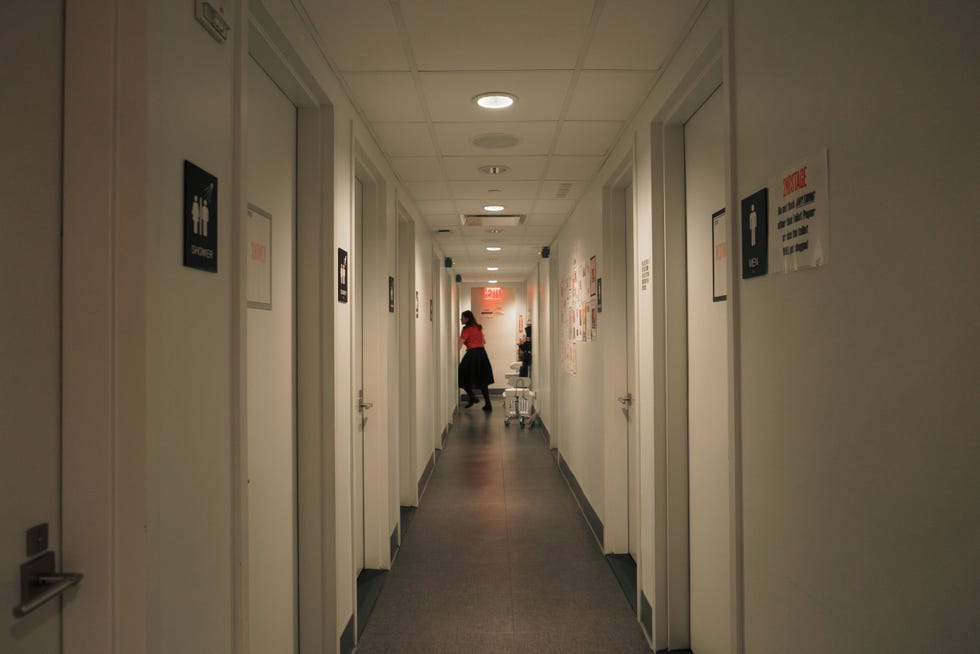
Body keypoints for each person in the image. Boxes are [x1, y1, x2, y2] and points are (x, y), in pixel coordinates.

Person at [458, 310, 494, 411]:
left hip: (472, 354)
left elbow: (460, 344)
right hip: (482, 354)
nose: (461, 319)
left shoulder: (466, 329)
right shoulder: (478, 327)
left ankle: (472, 397)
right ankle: (488, 404)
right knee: (483, 380)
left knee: (460, 375)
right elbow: (484, 341)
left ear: (467, 319)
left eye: (462, 317)